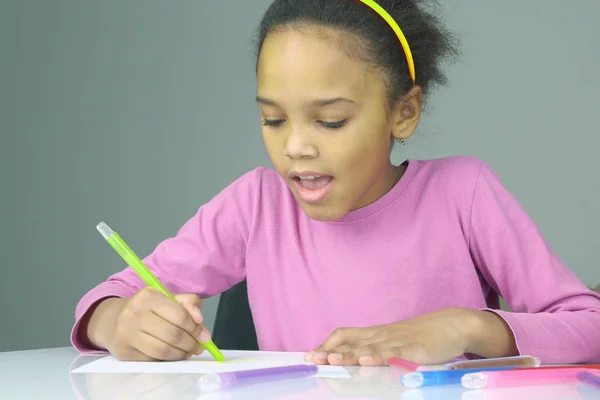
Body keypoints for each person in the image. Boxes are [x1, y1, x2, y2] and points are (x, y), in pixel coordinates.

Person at [71, 0, 600, 367]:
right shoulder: (256, 205)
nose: (296, 146)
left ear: (404, 112)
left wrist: (466, 328)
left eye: (330, 121)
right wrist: (116, 322)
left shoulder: (463, 193)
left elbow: (588, 324)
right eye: (274, 120)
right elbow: (108, 298)